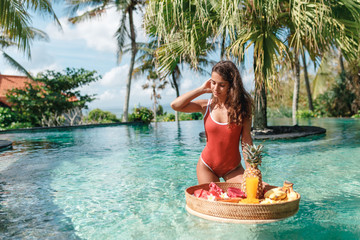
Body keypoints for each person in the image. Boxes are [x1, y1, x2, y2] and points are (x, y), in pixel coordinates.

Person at [171, 60, 254, 184]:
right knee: (212, 202)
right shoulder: (206, 106)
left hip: (233, 169)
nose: (215, 88)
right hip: (207, 167)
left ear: (231, 86)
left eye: (222, 85)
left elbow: (246, 140)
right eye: (213, 83)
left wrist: (250, 170)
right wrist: (202, 89)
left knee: (250, 195)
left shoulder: (243, 108)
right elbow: (175, 105)